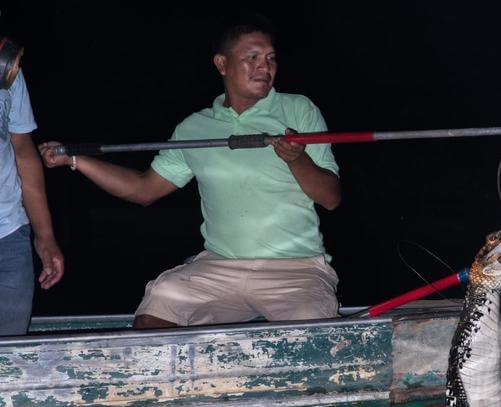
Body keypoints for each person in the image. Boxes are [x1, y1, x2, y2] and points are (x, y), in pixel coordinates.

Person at [39, 16, 340, 329]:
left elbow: (331, 197)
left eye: (271, 58)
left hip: (295, 270)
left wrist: (297, 159)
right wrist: (76, 160)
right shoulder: (195, 128)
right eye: (251, 58)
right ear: (222, 64)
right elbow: (144, 189)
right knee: (160, 301)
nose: (265, 67)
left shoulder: (299, 110)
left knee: (312, 335)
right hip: (220, 267)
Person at [0, 38, 64, 336]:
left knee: (8, 364)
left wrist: (45, 235)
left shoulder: (6, 66)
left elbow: (23, 151)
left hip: (10, 239)